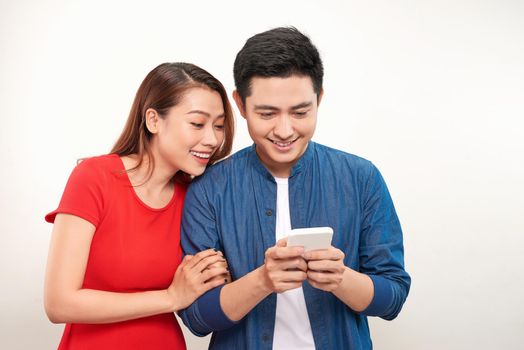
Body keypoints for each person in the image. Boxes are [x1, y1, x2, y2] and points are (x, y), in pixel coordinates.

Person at [178, 27, 411, 349]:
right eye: (267, 114)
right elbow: (197, 317)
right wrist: (262, 281)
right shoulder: (209, 189)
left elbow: (393, 298)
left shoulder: (361, 178)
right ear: (240, 105)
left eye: (301, 112)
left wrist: (341, 279)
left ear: (320, 99)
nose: (285, 130)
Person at [44, 62, 234, 349]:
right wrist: (170, 297)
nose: (212, 139)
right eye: (197, 123)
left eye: (219, 126)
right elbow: (59, 303)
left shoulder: (196, 199)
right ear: (153, 120)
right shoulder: (94, 178)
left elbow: (204, 293)